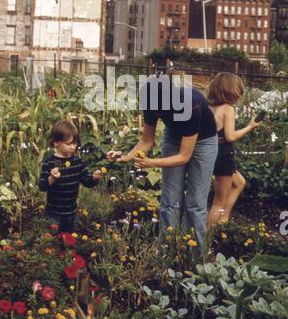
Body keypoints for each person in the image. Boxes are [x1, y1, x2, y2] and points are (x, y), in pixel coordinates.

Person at [107, 78, 218, 252]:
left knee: (195, 203)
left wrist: (151, 163)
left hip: (203, 142)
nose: (157, 114)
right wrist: (126, 156)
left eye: (160, 110)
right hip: (173, 137)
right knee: (169, 201)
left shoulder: (191, 105)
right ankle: (166, 252)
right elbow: (146, 141)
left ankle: (195, 256)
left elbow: (183, 157)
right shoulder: (151, 104)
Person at [206, 73, 262, 228]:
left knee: (239, 182)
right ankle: (208, 236)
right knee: (218, 201)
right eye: (238, 90)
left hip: (211, 151)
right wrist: (250, 127)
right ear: (230, 90)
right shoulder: (227, 109)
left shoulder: (209, 107)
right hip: (224, 153)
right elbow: (230, 136)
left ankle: (224, 220)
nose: (239, 94)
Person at [39, 120, 102, 233]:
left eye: (75, 143)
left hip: (72, 213)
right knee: (51, 244)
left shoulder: (77, 162)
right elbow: (42, 186)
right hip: (53, 214)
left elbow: (87, 182)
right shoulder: (49, 163)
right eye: (69, 144)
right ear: (56, 142)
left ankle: (69, 251)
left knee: (70, 243)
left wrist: (95, 177)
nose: (73, 147)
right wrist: (52, 178)